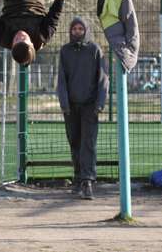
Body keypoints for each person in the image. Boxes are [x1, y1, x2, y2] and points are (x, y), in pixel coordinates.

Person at [57, 17, 109, 199]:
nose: (77, 31)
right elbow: (61, 79)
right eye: (74, 29)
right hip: (71, 107)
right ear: (70, 31)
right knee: (75, 142)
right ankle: (78, 178)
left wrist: (100, 103)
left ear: (86, 30)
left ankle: (87, 181)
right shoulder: (65, 51)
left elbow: (103, 79)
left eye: (81, 28)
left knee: (88, 143)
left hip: (90, 106)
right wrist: (64, 103)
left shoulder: (95, 50)